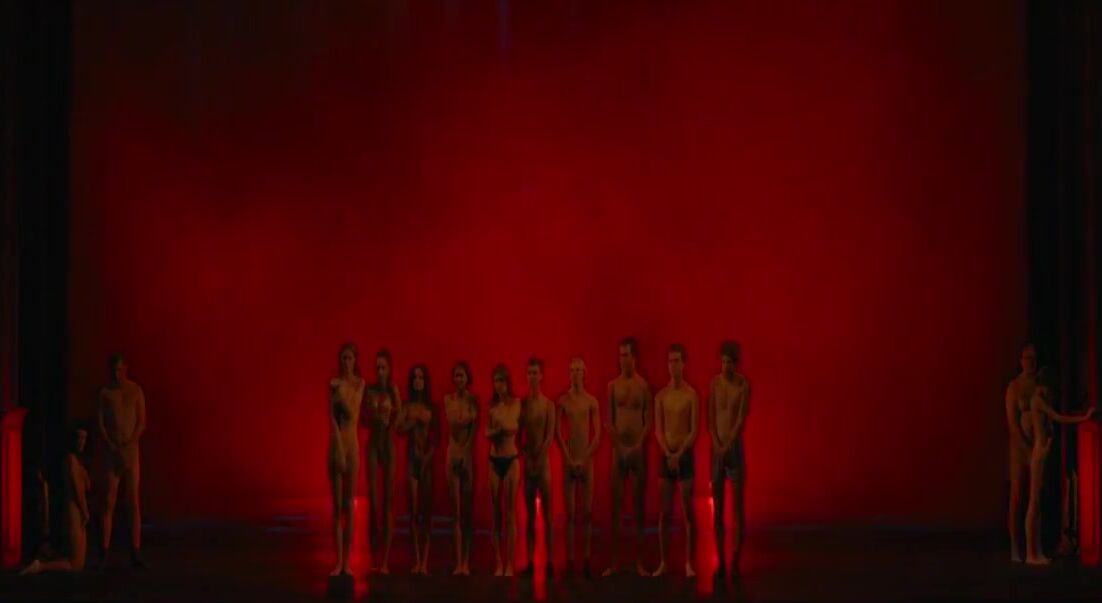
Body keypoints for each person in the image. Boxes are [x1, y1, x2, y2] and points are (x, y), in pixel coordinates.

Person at [1023, 367, 1094, 565]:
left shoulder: (1039, 399)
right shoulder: (1037, 400)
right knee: (1034, 502)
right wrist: (1083, 418)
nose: (1048, 393)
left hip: (1042, 451)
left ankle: (1036, 551)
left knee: (1037, 504)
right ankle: (1030, 553)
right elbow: (1058, 417)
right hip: (1039, 453)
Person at [604, 336, 652, 577]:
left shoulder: (643, 386)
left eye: (626, 355)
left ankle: (639, 562)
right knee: (616, 508)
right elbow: (609, 420)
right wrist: (620, 447)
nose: (622, 359)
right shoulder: (612, 386)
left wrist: (637, 445)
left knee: (638, 508)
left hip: (637, 451)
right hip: (619, 450)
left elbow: (648, 419)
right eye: (620, 355)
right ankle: (614, 563)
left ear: (634, 357)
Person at [96, 353, 147, 569]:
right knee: (109, 501)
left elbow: (142, 421)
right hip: (112, 453)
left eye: (119, 370)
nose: (117, 374)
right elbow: (100, 421)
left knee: (133, 501)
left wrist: (130, 441)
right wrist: (110, 443)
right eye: (113, 370)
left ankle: (135, 549)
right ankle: (104, 550)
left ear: (126, 368)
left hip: (130, 453)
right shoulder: (105, 393)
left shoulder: (135, 390)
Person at [653, 343, 698, 578]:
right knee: (664, 512)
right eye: (670, 361)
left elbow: (693, 430)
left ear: (684, 363)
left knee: (688, 512)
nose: (673, 365)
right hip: (666, 455)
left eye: (677, 360)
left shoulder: (691, 395)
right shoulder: (661, 395)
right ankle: (664, 562)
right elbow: (658, 430)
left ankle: (689, 563)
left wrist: (679, 453)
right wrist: (668, 453)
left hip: (684, 455)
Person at [20, 427, 91, 575]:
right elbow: (77, 490)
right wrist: (85, 511)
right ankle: (40, 566)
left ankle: (44, 561)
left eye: (84, 438)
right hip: (74, 510)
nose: (81, 442)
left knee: (79, 562)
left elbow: (87, 486)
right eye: (79, 438)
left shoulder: (77, 461)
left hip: (78, 510)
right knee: (75, 563)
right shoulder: (71, 459)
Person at [556, 357, 600, 578]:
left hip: (586, 460)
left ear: (584, 373)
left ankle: (587, 559)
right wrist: (569, 458)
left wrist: (585, 458)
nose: (574, 373)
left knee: (588, 512)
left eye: (578, 370)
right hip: (570, 459)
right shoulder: (563, 401)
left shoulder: (591, 401)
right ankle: (572, 561)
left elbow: (597, 433)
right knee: (571, 513)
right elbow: (557, 432)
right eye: (571, 370)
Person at [708, 340, 749, 576]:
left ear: (736, 363)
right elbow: (711, 416)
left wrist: (727, 444)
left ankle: (735, 558)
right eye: (722, 362)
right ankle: (721, 559)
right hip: (718, 448)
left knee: (737, 506)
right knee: (719, 506)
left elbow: (740, 420)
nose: (725, 366)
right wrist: (717, 443)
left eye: (729, 362)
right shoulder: (715, 383)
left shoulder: (742, 385)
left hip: (734, 449)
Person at [363, 348, 402, 573]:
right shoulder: (369, 390)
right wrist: (372, 417)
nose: (379, 371)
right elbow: (363, 419)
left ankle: (385, 560)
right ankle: (374, 556)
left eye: (383, 367)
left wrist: (390, 422)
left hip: (387, 444)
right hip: (373, 443)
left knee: (387, 501)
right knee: (373, 503)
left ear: (389, 369)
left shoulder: (393, 389)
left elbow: (399, 415)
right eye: (377, 367)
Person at [328, 343, 365, 577]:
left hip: (353, 444)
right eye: (343, 358)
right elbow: (332, 418)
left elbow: (352, 411)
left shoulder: (359, 384)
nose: (346, 362)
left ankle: (347, 563)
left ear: (355, 360)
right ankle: (338, 561)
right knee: (337, 506)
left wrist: (342, 394)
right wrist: (338, 447)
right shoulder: (334, 383)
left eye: (349, 358)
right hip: (338, 442)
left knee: (349, 505)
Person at [399, 364, 439, 575]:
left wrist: (428, 457)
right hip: (411, 460)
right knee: (413, 510)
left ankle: (425, 560)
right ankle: (416, 558)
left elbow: (436, 437)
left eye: (421, 378)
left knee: (426, 510)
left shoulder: (431, 407)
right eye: (415, 378)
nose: (417, 381)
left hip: (426, 460)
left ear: (425, 381)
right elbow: (399, 427)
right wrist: (413, 421)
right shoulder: (408, 406)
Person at [520, 357, 556, 579]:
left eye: (535, 372)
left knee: (548, 515)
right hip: (529, 463)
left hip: (543, 466)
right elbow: (519, 435)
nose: (532, 376)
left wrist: (539, 460)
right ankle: (531, 562)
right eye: (529, 373)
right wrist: (526, 456)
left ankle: (550, 562)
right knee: (530, 517)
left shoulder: (548, 405)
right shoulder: (523, 405)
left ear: (541, 376)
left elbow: (549, 436)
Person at [486, 364, 521, 577]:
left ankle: (509, 563)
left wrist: (500, 429)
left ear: (507, 382)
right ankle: (499, 561)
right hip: (494, 459)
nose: (498, 385)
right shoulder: (492, 406)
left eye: (501, 380)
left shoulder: (516, 403)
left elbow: (514, 427)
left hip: (510, 459)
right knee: (496, 512)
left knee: (510, 512)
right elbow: (487, 432)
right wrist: (497, 431)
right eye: (495, 381)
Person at [1005, 342, 1037, 562]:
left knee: (1035, 497)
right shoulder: (1014, 387)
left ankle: (1033, 547)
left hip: (1037, 447)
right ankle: (1015, 546)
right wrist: (1024, 444)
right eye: (1027, 358)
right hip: (1019, 450)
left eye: (1033, 358)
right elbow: (1012, 423)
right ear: (1021, 361)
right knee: (1017, 497)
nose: (1030, 362)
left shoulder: (1039, 385)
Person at [444, 361, 478, 576]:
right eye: (456, 375)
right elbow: (453, 423)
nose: (459, 379)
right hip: (452, 453)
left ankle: (466, 561)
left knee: (466, 511)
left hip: (466, 455)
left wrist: (466, 453)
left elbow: (473, 430)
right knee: (455, 511)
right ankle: (458, 562)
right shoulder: (448, 399)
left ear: (467, 378)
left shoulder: (473, 401)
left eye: (462, 376)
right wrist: (467, 418)